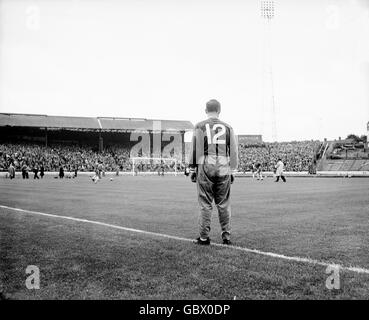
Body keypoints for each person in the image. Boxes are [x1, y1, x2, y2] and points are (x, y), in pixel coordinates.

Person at [189, 99, 238, 246]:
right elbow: (234, 151)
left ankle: (204, 237)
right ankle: (226, 237)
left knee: (205, 203)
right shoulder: (228, 127)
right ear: (219, 110)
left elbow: (195, 149)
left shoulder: (199, 126)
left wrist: (192, 168)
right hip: (223, 165)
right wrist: (232, 170)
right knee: (223, 204)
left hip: (205, 164)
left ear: (205, 110)